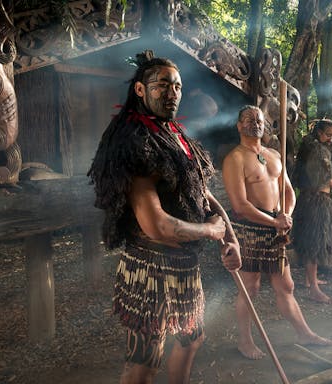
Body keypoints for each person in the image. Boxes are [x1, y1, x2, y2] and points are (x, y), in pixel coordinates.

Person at [87, 50, 241, 384]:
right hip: (151, 268)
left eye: (178, 86)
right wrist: (211, 232)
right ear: (140, 90)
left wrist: (230, 237)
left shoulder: (172, 134)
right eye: (163, 85)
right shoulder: (134, 140)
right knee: (145, 359)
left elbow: (201, 191)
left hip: (184, 266)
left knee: (192, 338)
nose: (172, 92)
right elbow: (156, 225)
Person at [222, 105, 332, 360]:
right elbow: (240, 206)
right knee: (250, 287)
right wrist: (274, 223)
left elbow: (288, 192)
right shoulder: (235, 159)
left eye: (259, 119)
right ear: (239, 125)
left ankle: (305, 333)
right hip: (249, 230)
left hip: (276, 227)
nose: (255, 123)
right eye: (248, 119)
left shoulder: (274, 154)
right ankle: (245, 341)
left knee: (286, 285)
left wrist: (287, 216)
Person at [292, 119, 332, 304]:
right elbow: (327, 181)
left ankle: (310, 280)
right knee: (315, 242)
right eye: (329, 135)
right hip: (317, 202)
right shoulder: (318, 150)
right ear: (319, 132)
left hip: (307, 199)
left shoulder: (308, 148)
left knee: (311, 241)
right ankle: (314, 289)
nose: (331, 139)